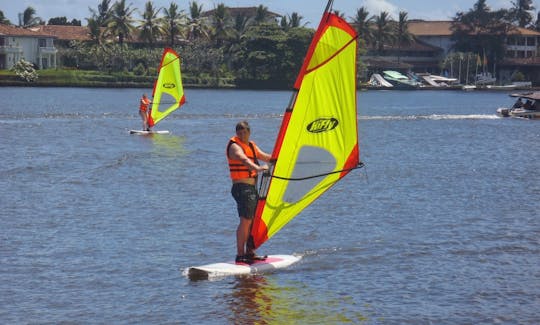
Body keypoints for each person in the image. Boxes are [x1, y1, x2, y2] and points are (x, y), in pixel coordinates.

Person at [226, 121, 272, 264]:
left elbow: (265, 157)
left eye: (244, 132)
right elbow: (243, 159)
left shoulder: (251, 145)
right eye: (239, 133)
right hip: (242, 188)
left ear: (249, 132)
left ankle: (250, 252)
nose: (242, 135)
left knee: (253, 220)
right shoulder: (234, 146)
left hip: (251, 189)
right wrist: (256, 168)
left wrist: (284, 158)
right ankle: (240, 255)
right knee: (245, 220)